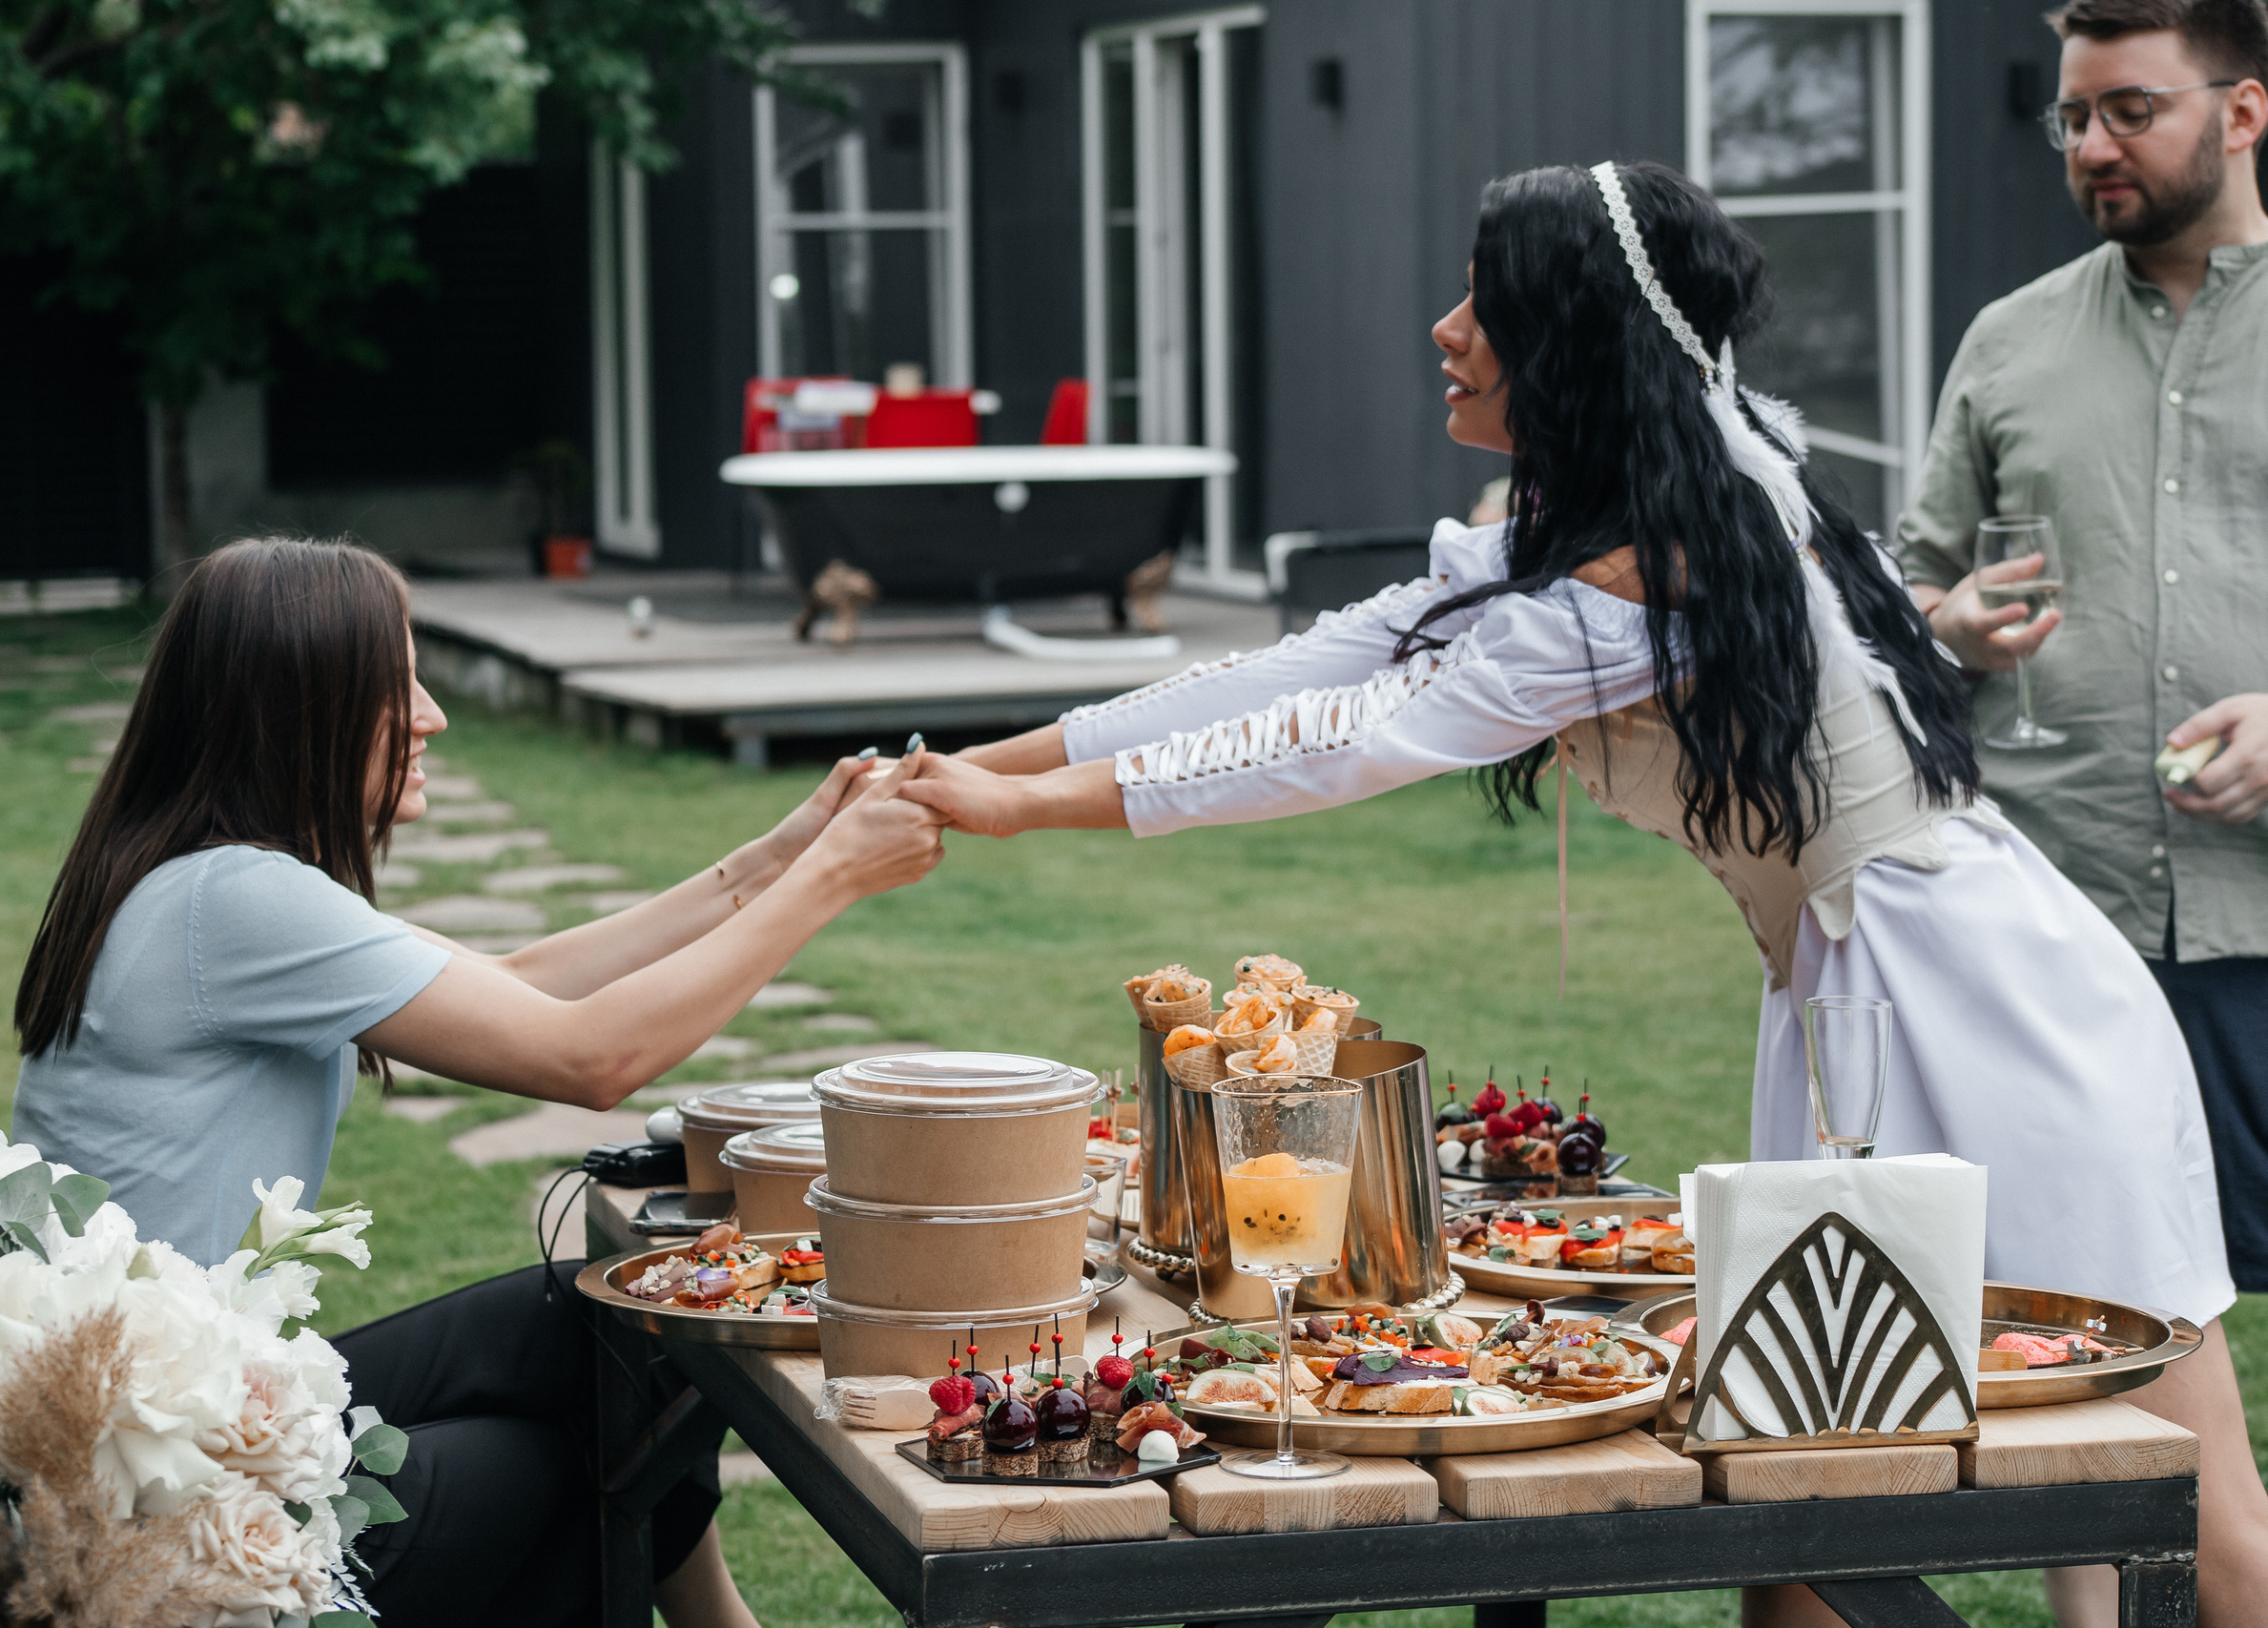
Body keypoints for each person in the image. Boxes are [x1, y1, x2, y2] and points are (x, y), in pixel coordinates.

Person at [902, 161, 2263, 1627]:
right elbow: (1308, 665)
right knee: (1803, 1490)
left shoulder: (1645, 579)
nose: (1445, 327)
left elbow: (1345, 741)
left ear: (1574, 339)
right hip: (1856, 995)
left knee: (2162, 1492)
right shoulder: (1647, 505)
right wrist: (996, 762)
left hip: (1995, 1006)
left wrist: (1028, 806)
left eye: (1486, 303)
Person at [10, 537, 946, 1628]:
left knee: (614, 1328)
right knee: (562, 1475)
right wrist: (832, 880)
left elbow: (510, 984)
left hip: (180, 1407)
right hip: (163, 1483)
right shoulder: (236, 902)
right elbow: (590, 1058)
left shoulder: (201, 882)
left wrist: (777, 857)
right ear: (298, 705)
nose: (430, 715)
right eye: (394, 684)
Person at [1897, 10, 2268, 1615]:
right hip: (2061, 937)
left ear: (2244, 107)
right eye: (2070, 118)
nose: (2091, 148)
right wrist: (1952, 624)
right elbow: (1898, 600)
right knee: (2073, 1329)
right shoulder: (2009, 339)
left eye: (2129, 109)